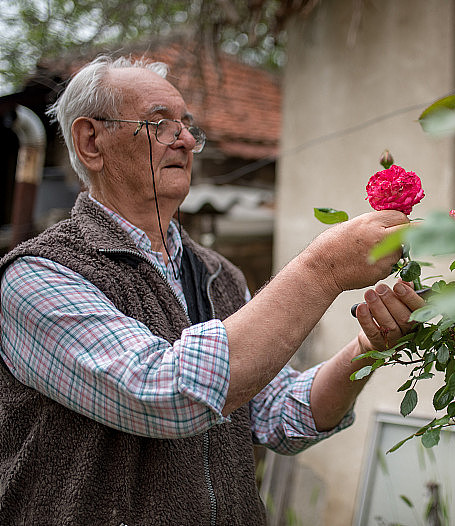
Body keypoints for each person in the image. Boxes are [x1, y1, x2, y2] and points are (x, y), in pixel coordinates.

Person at [0, 55, 425, 525]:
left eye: (186, 125)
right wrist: (323, 269)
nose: (184, 139)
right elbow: (163, 392)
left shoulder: (219, 274)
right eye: (159, 123)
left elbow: (279, 413)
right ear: (91, 141)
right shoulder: (37, 276)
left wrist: (366, 348)